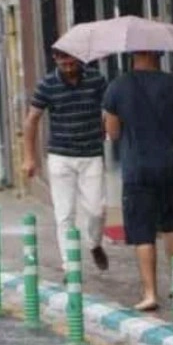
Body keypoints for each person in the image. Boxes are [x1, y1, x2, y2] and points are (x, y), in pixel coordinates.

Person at [102, 51, 173, 311]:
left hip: (137, 170)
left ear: (132, 55)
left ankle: (150, 294)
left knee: (142, 230)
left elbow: (112, 133)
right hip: (171, 166)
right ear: (158, 54)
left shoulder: (117, 86)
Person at [23, 49, 110, 277]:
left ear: (79, 59)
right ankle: (69, 265)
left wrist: (107, 127)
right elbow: (32, 120)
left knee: (96, 210)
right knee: (64, 214)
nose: (68, 67)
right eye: (63, 62)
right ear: (55, 60)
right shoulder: (47, 85)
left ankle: (94, 243)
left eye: (71, 62)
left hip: (91, 154)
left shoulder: (96, 80)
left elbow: (110, 109)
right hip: (61, 155)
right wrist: (29, 157)